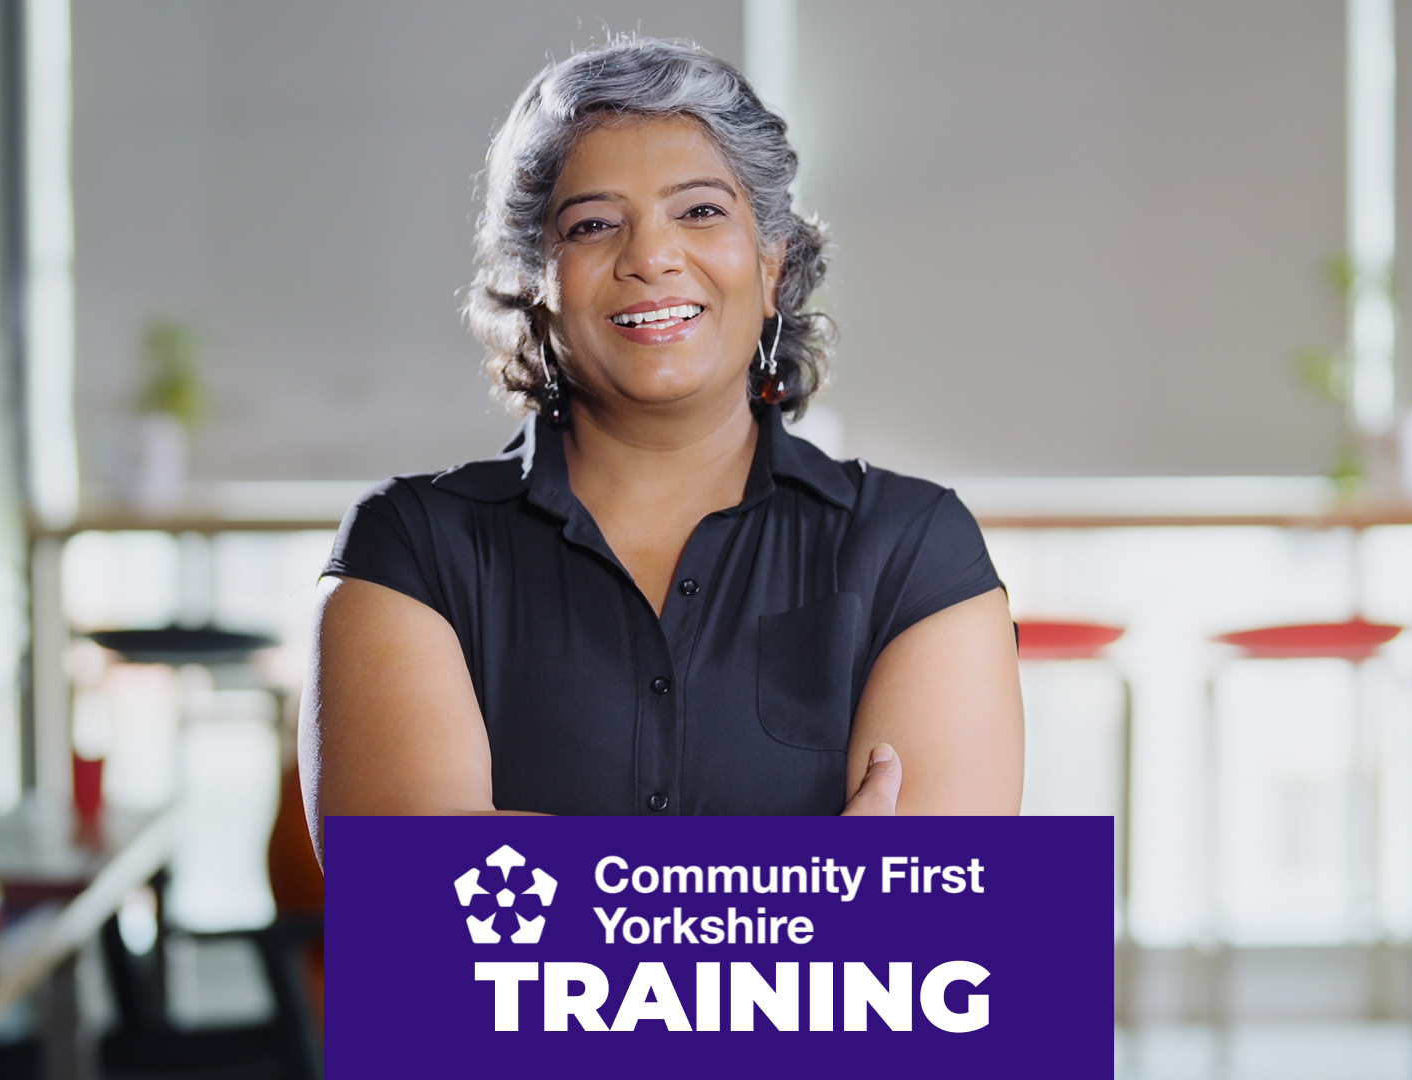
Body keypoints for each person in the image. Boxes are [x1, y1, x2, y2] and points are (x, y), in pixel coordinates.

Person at [301, 38, 1021, 852]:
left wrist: (533, 868)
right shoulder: (411, 548)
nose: (650, 256)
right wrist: (823, 883)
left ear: (772, 255)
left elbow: (938, 932)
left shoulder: (914, 549)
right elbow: (412, 916)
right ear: (538, 280)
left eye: (702, 211)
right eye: (594, 224)